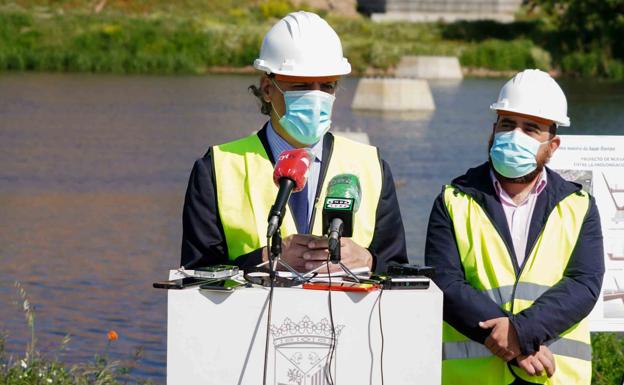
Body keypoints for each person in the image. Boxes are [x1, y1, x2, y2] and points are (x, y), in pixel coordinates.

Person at [180, 11, 407, 273]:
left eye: (327, 87)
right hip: (252, 314)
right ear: (267, 89)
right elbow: (195, 274)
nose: (316, 97)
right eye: (301, 86)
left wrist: (370, 260)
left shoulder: (371, 167)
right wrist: (265, 258)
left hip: (345, 314)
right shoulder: (217, 169)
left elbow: (397, 267)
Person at [425, 69, 604, 385]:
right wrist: (513, 343)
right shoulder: (453, 199)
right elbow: (446, 283)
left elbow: (583, 284)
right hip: (474, 378)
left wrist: (521, 333)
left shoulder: (579, 205)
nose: (514, 135)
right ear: (493, 130)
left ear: (552, 145)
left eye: (530, 128)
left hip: (553, 378)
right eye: (507, 124)